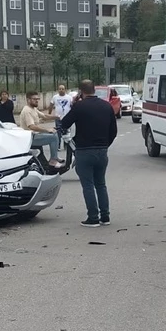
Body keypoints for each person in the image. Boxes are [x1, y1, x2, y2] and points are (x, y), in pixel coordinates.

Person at [59, 80, 118, 227]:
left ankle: (93, 217)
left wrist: (74, 103)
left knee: (88, 185)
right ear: (94, 90)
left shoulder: (79, 106)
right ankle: (105, 216)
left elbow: (64, 123)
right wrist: (105, 145)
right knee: (101, 184)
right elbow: (114, 131)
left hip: (84, 150)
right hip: (102, 151)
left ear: (81, 91)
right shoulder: (106, 106)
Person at [19, 92, 64, 169]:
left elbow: (44, 116)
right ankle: (53, 160)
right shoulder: (27, 111)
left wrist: (57, 117)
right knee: (53, 137)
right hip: (30, 138)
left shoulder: (33, 109)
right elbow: (31, 126)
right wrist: (47, 130)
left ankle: (55, 157)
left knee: (54, 133)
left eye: (37, 99)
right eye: (34, 99)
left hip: (35, 135)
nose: (37, 101)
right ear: (28, 100)